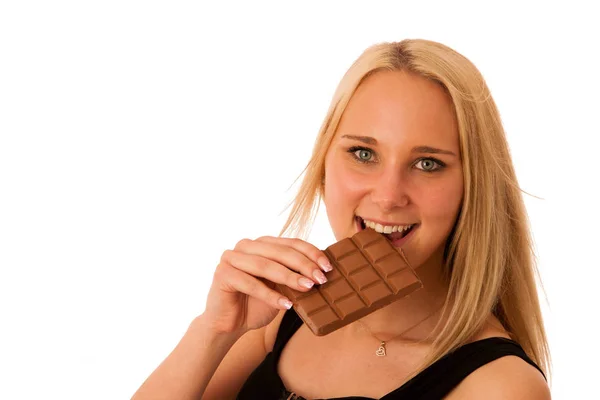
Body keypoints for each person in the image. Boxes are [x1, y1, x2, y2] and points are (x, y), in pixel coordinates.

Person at [132, 39, 552, 400]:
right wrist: (213, 330)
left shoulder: (499, 385)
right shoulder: (278, 320)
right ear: (324, 164)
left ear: (474, 187)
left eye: (427, 163)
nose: (388, 197)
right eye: (363, 154)